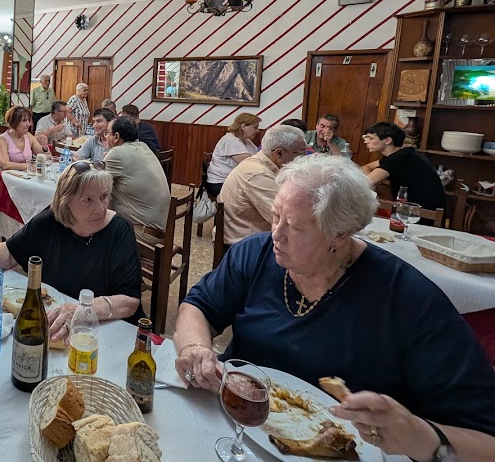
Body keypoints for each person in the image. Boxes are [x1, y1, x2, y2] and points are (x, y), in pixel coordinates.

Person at [173, 155, 495, 460]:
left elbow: (487, 440)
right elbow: (198, 306)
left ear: (339, 236)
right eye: (275, 216)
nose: (276, 234)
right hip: (231, 433)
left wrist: (421, 437)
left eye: (295, 227)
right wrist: (196, 347)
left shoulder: (408, 300)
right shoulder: (255, 254)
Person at [0, 160, 143, 343]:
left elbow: (129, 302)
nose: (100, 208)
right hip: (57, 329)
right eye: (87, 200)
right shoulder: (50, 221)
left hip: (107, 334)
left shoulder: (119, 230)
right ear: (66, 201)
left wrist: (83, 311)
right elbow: (10, 253)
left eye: (104, 197)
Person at [218, 125, 307, 245]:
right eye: (300, 154)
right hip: (245, 246)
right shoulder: (257, 174)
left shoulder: (266, 163)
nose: (303, 159)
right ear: (279, 153)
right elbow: (284, 219)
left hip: (254, 236)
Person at [360, 121, 446, 214]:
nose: (366, 141)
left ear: (387, 140)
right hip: (414, 209)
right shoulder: (403, 154)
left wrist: (370, 179)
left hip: (422, 213)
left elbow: (365, 182)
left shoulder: (398, 158)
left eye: (370, 138)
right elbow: (367, 167)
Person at [103, 116, 170, 232]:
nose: (106, 136)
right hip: (160, 229)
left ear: (116, 137)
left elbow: (95, 181)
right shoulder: (143, 146)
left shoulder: (118, 152)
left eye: (107, 133)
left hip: (141, 233)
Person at [205, 113, 261, 197]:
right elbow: (250, 163)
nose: (258, 131)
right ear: (243, 127)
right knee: (253, 197)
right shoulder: (231, 140)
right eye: (255, 127)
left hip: (233, 181)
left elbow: (259, 156)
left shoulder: (246, 141)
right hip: (220, 183)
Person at [0, 106, 44, 171]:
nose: (28, 124)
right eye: (24, 121)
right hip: (8, 178)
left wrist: (45, 147)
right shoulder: (2, 139)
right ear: (14, 123)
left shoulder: (28, 136)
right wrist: (27, 166)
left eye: (28, 120)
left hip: (26, 176)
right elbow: (5, 165)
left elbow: (43, 156)